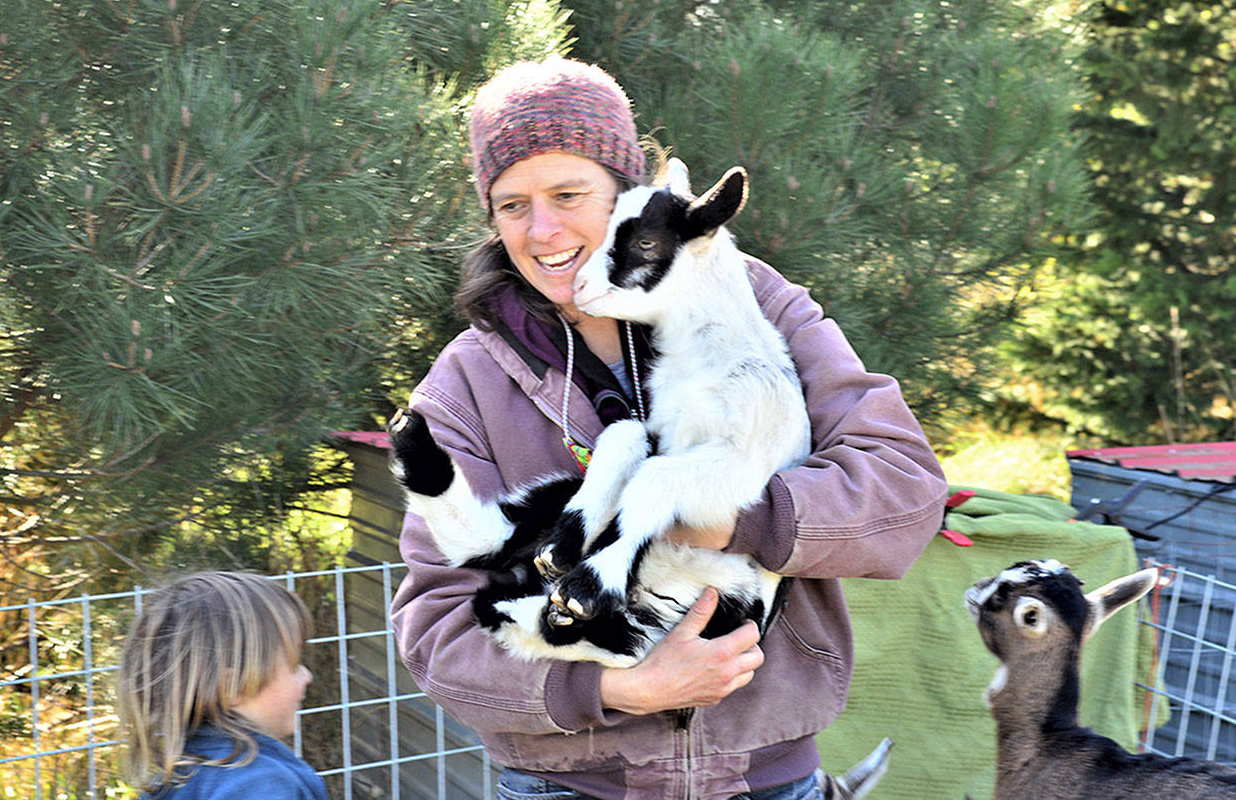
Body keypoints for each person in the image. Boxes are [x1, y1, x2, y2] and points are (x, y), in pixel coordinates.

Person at [389, 56, 948, 800]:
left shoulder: (757, 308)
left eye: (568, 193)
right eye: (511, 205)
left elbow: (903, 489)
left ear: (628, 192)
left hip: (766, 780)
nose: (544, 229)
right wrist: (612, 688)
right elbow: (435, 632)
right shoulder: (466, 384)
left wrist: (730, 517)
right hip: (572, 788)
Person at [117, 570, 328, 800]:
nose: (307, 676)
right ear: (234, 687)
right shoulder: (260, 785)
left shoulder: (176, 776)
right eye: (295, 663)